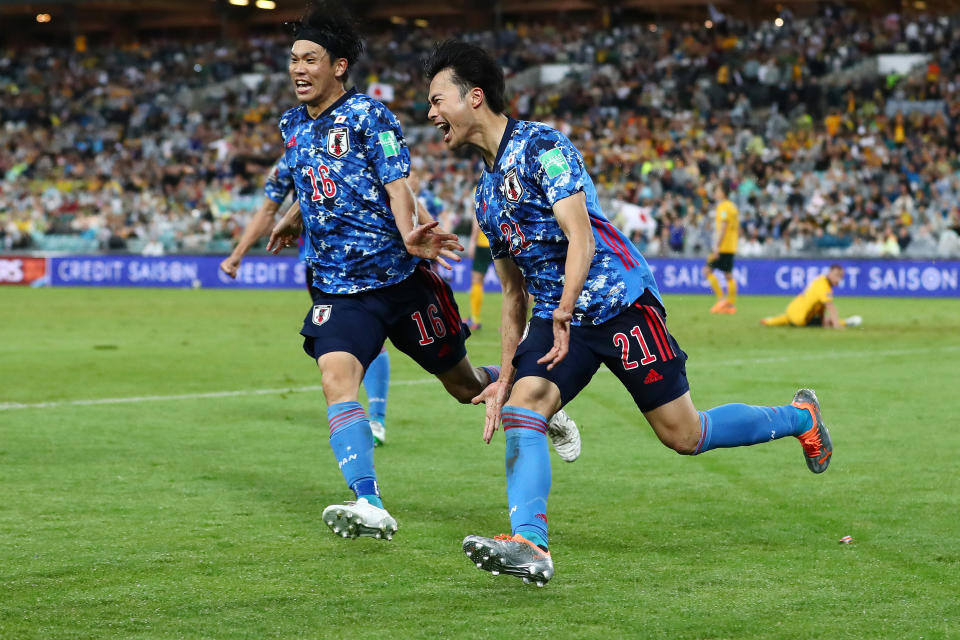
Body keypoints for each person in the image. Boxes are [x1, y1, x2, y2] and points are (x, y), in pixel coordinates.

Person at [425, 40, 833, 586]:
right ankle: (531, 544)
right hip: (555, 316)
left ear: (474, 97)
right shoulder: (485, 195)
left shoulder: (544, 146)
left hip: (619, 304)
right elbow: (512, 294)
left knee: (684, 434)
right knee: (524, 406)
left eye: (436, 99)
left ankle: (801, 417)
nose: (430, 114)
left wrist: (566, 311)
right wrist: (506, 373)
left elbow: (581, 239)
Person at [265, 5, 580, 543]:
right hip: (340, 290)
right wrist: (294, 217)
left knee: (463, 388)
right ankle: (368, 500)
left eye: (310, 59)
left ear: (338, 66)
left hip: (402, 283)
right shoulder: (292, 125)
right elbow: (312, 178)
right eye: (293, 58)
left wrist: (408, 231)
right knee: (335, 379)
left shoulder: (370, 116)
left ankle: (527, 395)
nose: (298, 68)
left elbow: (395, 185)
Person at [220, 159, 392, 446]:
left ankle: (374, 418)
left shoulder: (350, 142)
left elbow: (394, 187)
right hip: (316, 264)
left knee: (369, 335)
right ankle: (360, 416)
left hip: (359, 255)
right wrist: (238, 253)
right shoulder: (289, 160)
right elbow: (267, 210)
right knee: (340, 342)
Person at [761, 264, 861, 328]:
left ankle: (768, 321)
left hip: (792, 309)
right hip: (801, 319)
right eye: (837, 275)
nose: (839, 279)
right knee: (825, 322)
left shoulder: (819, 280)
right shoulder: (824, 286)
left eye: (841, 277)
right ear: (830, 273)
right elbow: (830, 306)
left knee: (789, 318)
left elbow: (820, 306)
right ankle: (847, 322)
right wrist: (836, 325)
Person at [703, 183, 740, 314]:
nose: (715, 193)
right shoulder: (733, 207)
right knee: (728, 275)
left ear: (723, 192)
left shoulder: (723, 207)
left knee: (707, 270)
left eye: (717, 190)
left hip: (723, 246)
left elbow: (724, 227)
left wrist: (717, 247)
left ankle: (722, 301)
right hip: (731, 245)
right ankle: (730, 304)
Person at [466, 216, 492, 330]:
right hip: (500, 243)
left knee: (476, 280)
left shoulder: (479, 197)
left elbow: (477, 220)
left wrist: (472, 241)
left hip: (483, 244)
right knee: (509, 286)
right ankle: (511, 323)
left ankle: (475, 319)